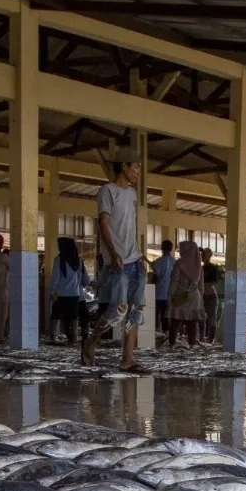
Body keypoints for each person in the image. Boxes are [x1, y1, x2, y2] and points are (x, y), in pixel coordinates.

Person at [87, 149, 145, 368]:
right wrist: (112, 253)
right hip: (117, 261)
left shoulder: (132, 194)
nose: (139, 171)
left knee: (135, 310)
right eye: (136, 166)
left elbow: (131, 227)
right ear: (124, 166)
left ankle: (128, 359)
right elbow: (103, 223)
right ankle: (91, 342)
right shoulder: (107, 191)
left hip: (135, 259)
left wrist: (138, 255)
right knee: (117, 310)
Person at [50, 236, 87, 343]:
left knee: (55, 314)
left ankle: (53, 336)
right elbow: (81, 278)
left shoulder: (59, 259)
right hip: (75, 294)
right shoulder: (78, 260)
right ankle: (73, 338)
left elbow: (55, 277)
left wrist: (51, 291)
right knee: (73, 316)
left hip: (60, 294)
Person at [151, 238, 174, 336]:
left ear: (162, 248)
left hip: (158, 293)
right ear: (171, 249)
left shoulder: (158, 262)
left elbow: (155, 278)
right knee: (166, 316)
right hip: (170, 294)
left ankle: (155, 333)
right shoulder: (175, 262)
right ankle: (166, 333)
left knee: (156, 315)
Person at [201, 247, 223, 341]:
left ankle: (211, 339)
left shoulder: (213, 268)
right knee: (200, 318)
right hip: (202, 295)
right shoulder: (200, 268)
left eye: (204, 254)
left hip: (211, 296)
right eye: (202, 255)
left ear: (208, 256)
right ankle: (201, 337)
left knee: (211, 320)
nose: (202, 256)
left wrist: (202, 284)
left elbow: (213, 282)